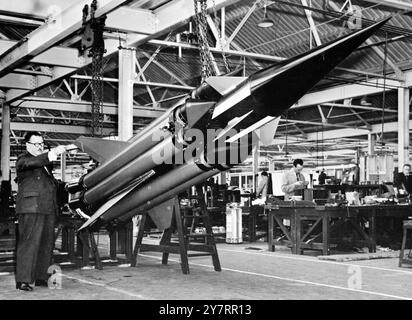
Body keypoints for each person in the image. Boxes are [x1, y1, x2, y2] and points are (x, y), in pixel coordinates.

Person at [14, 132, 67, 291]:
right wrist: (52, 153)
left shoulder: (45, 164)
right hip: (31, 207)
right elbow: (33, 163)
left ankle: (41, 276)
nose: (39, 147)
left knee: (46, 243)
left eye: (41, 144)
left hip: (47, 207)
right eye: (36, 144)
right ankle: (23, 280)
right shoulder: (23, 160)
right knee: (29, 244)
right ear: (27, 145)